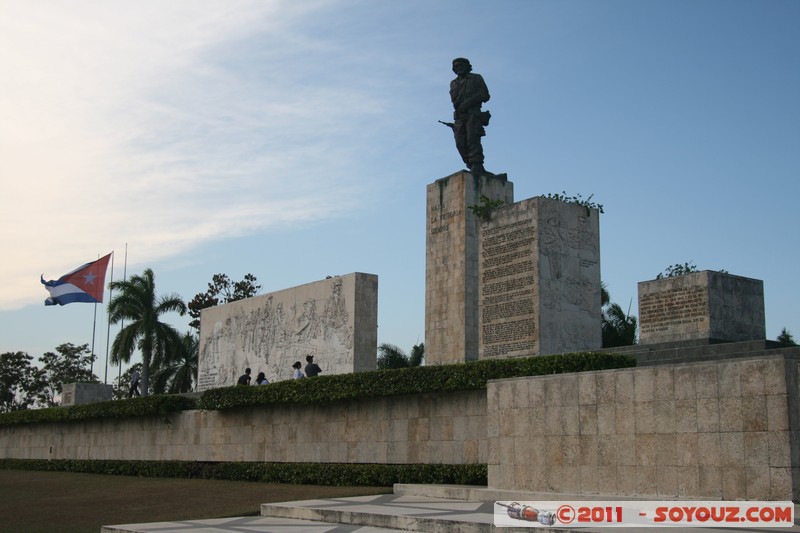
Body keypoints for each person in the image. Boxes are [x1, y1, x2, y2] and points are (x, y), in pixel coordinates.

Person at [448, 57, 491, 177]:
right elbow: (454, 101)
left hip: (473, 113)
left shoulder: (476, 78)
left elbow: (485, 95)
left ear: (468, 66)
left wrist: (468, 103)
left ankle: (477, 164)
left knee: (473, 139)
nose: (458, 67)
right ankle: (470, 163)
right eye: (455, 66)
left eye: (461, 65)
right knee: (460, 142)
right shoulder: (453, 83)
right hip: (460, 116)